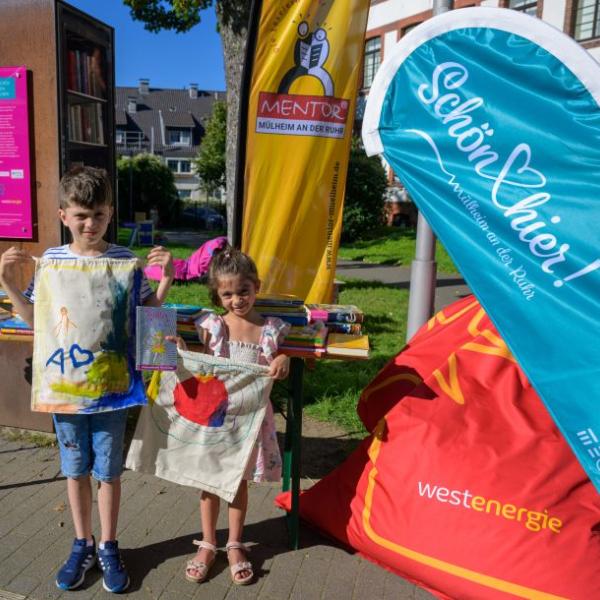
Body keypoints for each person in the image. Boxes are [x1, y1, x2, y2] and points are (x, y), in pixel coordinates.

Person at [0, 166, 173, 593]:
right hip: (65, 394)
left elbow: (151, 323)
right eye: (80, 216)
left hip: (112, 394)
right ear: (63, 215)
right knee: (75, 471)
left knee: (109, 474)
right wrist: (7, 283)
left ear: (109, 213)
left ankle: (109, 545)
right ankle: (82, 543)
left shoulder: (124, 263)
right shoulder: (52, 263)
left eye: (97, 215)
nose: (89, 224)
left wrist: (166, 281)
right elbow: (37, 322)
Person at [168, 246, 290, 586]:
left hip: (249, 424)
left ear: (256, 286)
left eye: (243, 291)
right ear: (217, 295)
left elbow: (281, 358)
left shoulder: (269, 330)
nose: (237, 299)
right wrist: (180, 348)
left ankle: (235, 544)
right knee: (210, 483)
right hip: (216, 419)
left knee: (237, 483)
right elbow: (202, 364)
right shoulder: (214, 327)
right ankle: (208, 543)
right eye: (228, 293)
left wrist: (284, 360)